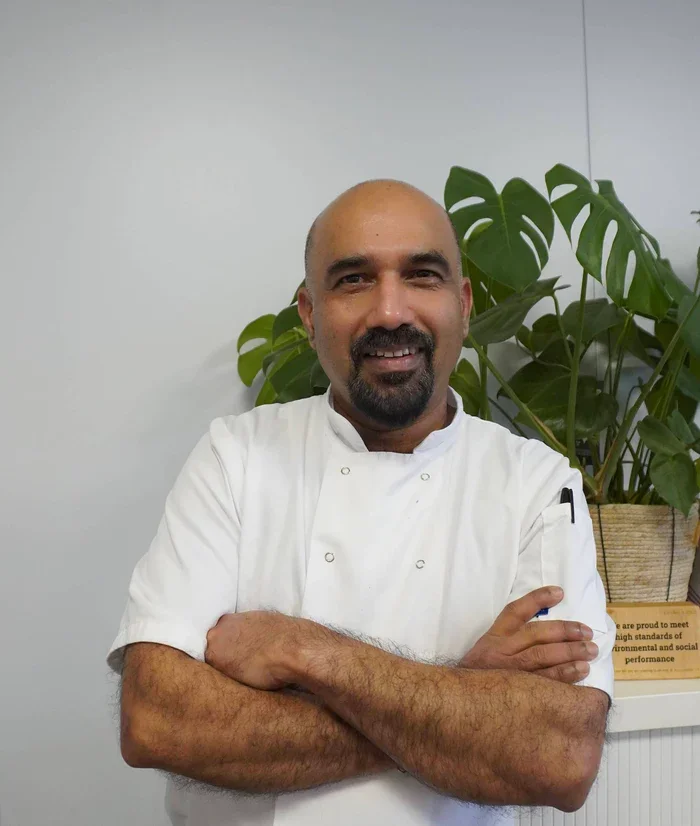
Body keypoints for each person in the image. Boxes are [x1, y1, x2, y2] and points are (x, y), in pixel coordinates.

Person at [108, 180, 615, 826]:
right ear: (309, 313)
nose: (389, 312)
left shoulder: (538, 483)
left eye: (421, 276)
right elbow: (157, 720)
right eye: (353, 281)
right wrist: (463, 694)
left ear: (462, 305)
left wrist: (303, 651)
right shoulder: (235, 456)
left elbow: (559, 756)